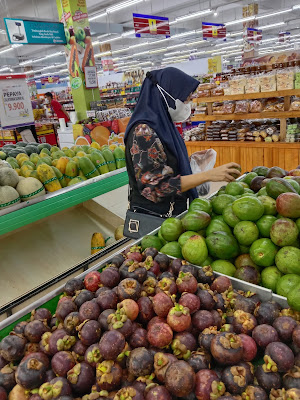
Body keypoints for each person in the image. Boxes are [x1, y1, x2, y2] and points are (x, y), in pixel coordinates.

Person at [124, 67, 241, 222]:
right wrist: (207, 175)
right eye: (185, 99)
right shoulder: (143, 132)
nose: (188, 104)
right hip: (156, 221)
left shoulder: (163, 124)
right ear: (166, 96)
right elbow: (154, 189)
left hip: (172, 216)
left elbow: (162, 163)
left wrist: (189, 162)